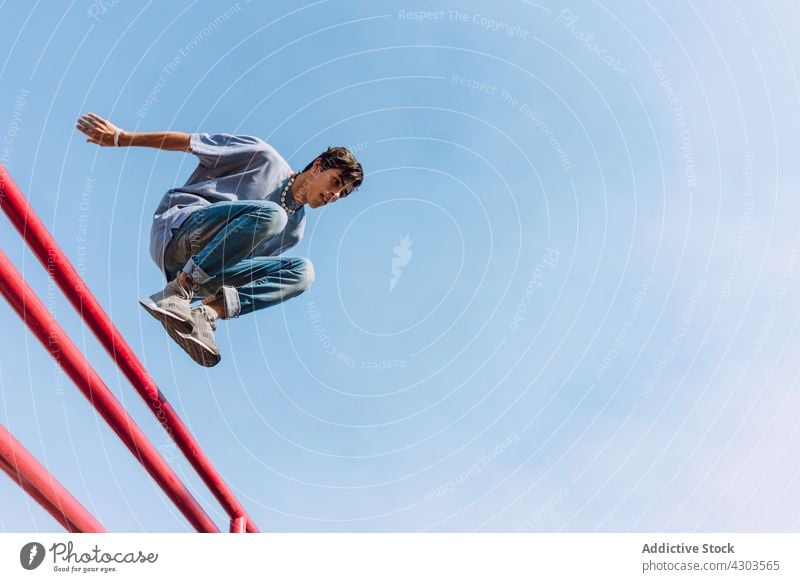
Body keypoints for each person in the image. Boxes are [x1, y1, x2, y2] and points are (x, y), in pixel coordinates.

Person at [76, 112, 364, 367]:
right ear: (317, 166)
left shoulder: (295, 230)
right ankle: (180, 290)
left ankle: (205, 314)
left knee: (304, 272)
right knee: (274, 216)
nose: (335, 195)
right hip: (183, 230)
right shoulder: (263, 157)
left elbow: (243, 266)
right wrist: (120, 138)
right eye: (336, 182)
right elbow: (188, 142)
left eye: (343, 194)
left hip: (203, 271)